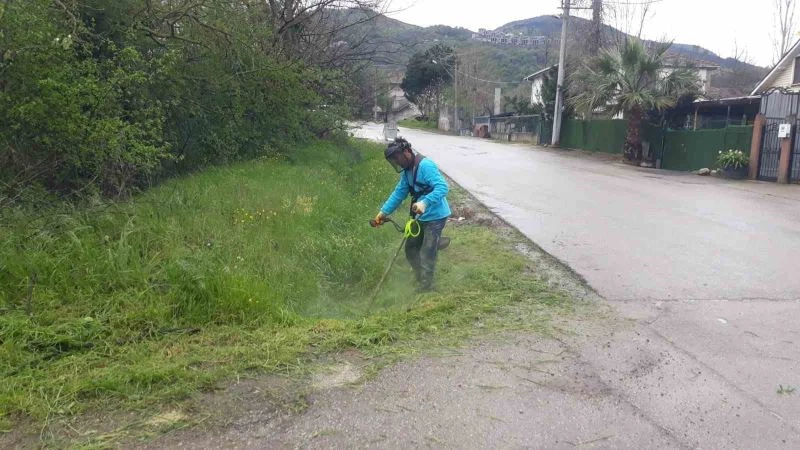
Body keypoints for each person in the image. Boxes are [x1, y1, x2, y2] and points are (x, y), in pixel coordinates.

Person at [374, 138, 451, 292]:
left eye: (398, 158)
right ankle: (420, 275)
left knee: (427, 251)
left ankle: (427, 284)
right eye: (394, 160)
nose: (398, 162)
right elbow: (399, 193)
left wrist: (425, 202)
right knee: (411, 249)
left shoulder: (425, 166)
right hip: (420, 217)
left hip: (436, 216)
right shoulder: (407, 172)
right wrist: (383, 213)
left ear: (407, 152)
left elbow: (443, 187)